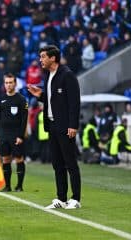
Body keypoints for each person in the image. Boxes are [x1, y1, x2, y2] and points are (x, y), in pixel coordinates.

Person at [27, 45, 82, 209]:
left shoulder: (67, 75)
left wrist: (73, 125)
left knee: (70, 162)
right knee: (57, 163)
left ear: (53, 58)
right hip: (52, 125)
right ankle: (61, 198)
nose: (40, 60)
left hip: (65, 126)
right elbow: (54, 100)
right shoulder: (48, 75)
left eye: (43, 56)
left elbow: (74, 102)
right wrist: (41, 96)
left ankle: (76, 198)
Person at [0, 73, 28, 192]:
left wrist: (20, 136)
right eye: (6, 83)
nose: (8, 85)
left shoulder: (21, 100)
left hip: (16, 134)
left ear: (15, 83)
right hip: (3, 134)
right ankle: (7, 186)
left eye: (10, 82)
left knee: (19, 158)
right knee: (6, 159)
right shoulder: (0, 99)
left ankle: (19, 186)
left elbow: (24, 120)